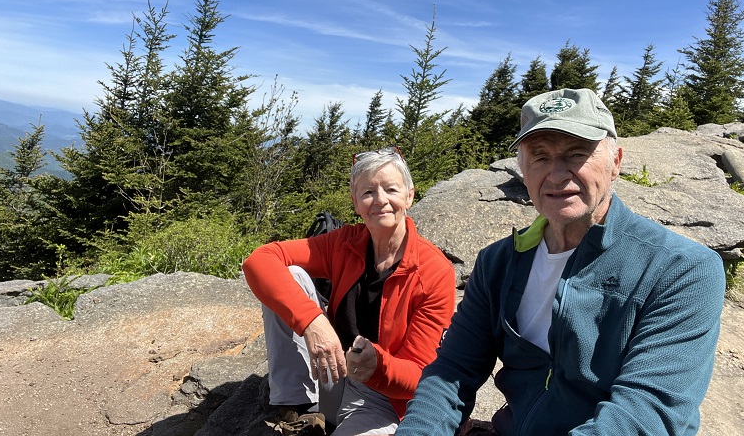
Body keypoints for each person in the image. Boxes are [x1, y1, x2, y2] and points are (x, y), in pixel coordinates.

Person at [396, 88, 726, 436]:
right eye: (539, 156)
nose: (556, 174)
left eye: (576, 154)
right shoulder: (498, 262)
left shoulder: (681, 269)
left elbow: (645, 413)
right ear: (522, 168)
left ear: (615, 162)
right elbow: (452, 370)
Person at [242, 146, 456, 436]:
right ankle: (298, 411)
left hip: (381, 401)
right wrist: (313, 322)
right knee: (289, 275)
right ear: (356, 202)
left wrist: (377, 365)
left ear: (409, 195)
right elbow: (259, 261)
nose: (380, 200)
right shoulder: (345, 243)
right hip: (331, 371)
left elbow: (421, 375)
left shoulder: (433, 271)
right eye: (368, 192)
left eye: (391, 189)